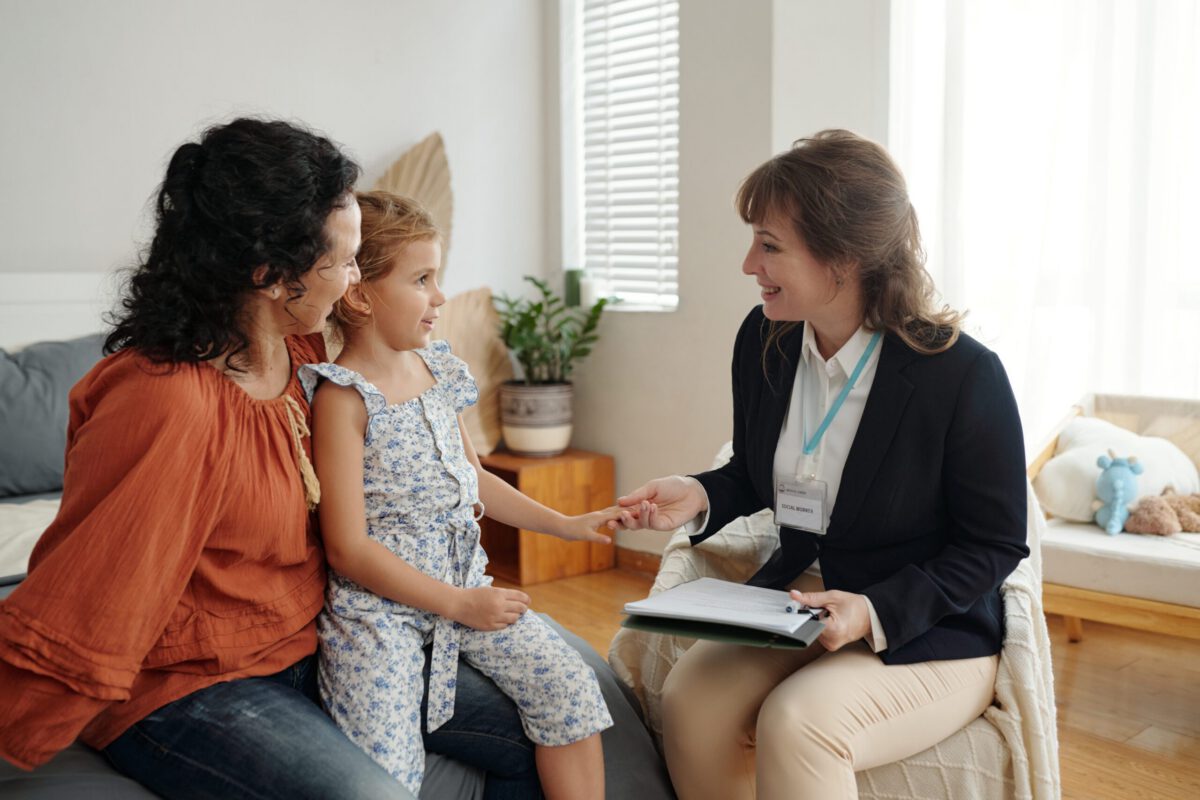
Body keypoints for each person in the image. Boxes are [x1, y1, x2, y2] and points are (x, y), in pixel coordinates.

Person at [0, 119, 532, 800]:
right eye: (343, 262)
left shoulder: (305, 354)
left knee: (546, 714)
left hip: (316, 639)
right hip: (192, 682)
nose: (352, 282)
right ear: (270, 276)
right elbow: (95, 584)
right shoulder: (167, 403)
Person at [613, 129, 1030, 800]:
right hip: (797, 604)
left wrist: (872, 609)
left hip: (924, 625)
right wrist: (698, 492)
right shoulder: (764, 339)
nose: (749, 264)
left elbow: (994, 544)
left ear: (844, 257)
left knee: (798, 723)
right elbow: (756, 472)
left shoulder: (961, 374)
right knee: (690, 699)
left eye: (769, 245)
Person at [300, 190, 617, 798]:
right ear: (359, 295)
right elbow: (348, 548)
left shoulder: (437, 371)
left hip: (468, 588)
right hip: (380, 616)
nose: (440, 297)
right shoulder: (343, 398)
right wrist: (458, 604)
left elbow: (476, 481)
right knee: (386, 769)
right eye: (422, 279)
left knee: (570, 687)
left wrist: (567, 524)